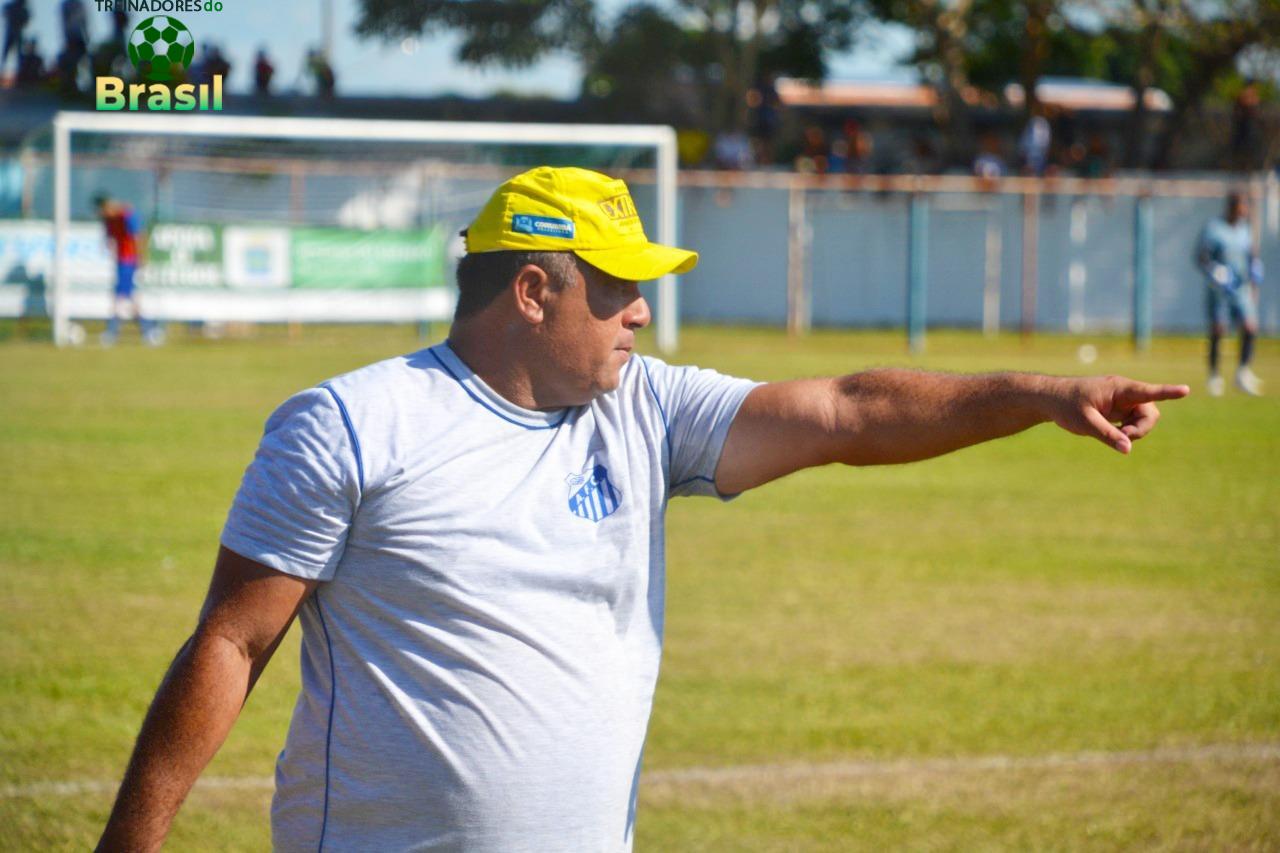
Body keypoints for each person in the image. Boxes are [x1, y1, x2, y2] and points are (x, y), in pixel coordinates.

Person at [95, 166, 1188, 851]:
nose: (641, 310)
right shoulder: (349, 424)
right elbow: (232, 643)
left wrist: (1043, 396)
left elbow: (848, 411)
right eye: (615, 287)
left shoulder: (647, 406)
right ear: (532, 292)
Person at [1195, 191, 1263, 396]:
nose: (1244, 211)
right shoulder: (1214, 229)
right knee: (1218, 329)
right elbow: (1200, 256)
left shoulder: (1245, 229)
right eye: (1241, 207)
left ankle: (1243, 373)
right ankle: (1214, 376)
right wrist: (1215, 270)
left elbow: (1251, 254)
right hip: (1220, 289)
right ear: (1232, 207)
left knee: (1250, 327)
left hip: (1241, 287)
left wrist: (1255, 271)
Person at [94, 192, 162, 347]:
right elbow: (109, 238)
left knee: (120, 297)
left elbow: (139, 236)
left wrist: (142, 257)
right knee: (129, 297)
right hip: (121, 261)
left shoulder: (126, 215)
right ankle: (149, 330)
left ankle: (113, 332)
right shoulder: (108, 219)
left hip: (129, 260)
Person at [1, 0, 28, 77]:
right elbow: (4, 11)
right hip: (10, 32)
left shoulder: (23, 9)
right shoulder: (11, 6)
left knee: (19, 52)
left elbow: (26, 19)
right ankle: (3, 71)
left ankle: (20, 71)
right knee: (6, 52)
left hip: (18, 32)